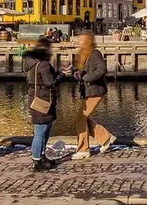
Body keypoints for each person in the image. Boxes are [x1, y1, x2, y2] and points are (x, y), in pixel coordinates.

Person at [70, 31, 115, 160]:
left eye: (82, 40)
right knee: (83, 118)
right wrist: (74, 72)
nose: (80, 42)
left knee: (81, 117)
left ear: (88, 41)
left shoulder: (95, 54)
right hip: (87, 90)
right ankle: (106, 138)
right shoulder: (82, 54)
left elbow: (101, 70)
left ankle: (83, 149)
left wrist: (86, 78)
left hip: (95, 90)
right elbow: (77, 69)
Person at [23, 37, 61, 172]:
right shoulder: (43, 64)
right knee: (40, 132)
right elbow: (49, 82)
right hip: (43, 100)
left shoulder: (31, 62)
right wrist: (61, 76)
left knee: (43, 130)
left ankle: (41, 156)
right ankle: (37, 160)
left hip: (34, 98)